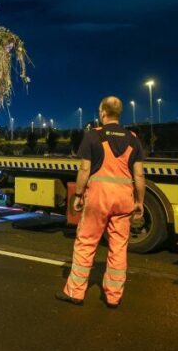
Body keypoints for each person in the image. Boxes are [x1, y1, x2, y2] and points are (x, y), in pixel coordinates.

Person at [57, 96, 145, 308]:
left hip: (98, 197)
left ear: (102, 112)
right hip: (124, 199)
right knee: (118, 247)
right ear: (119, 113)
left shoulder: (93, 136)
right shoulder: (133, 139)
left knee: (86, 242)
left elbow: (85, 169)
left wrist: (78, 195)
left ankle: (76, 292)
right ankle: (114, 296)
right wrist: (140, 201)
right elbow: (139, 175)